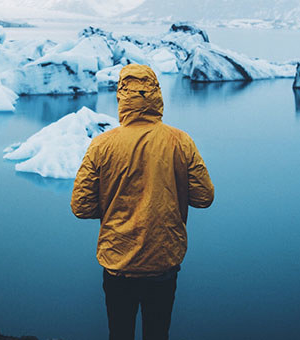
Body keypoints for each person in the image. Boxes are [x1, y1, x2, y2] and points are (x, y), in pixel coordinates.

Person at [71, 64, 215, 340]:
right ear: (157, 95)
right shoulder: (180, 141)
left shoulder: (102, 145)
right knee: (157, 334)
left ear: (121, 98)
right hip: (163, 262)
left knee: (120, 333)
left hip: (118, 264)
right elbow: (204, 197)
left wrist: (114, 205)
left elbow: (81, 207)